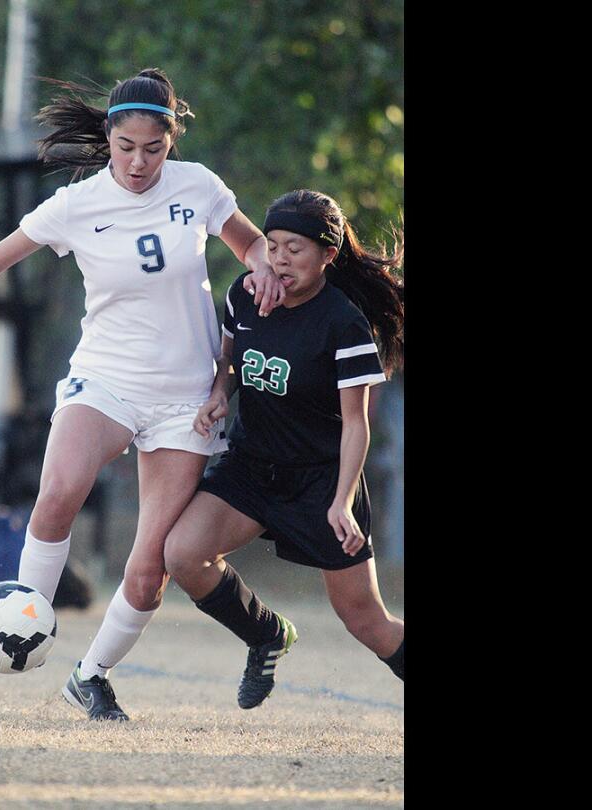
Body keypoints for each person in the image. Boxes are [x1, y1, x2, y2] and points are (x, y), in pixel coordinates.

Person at [0, 68, 286, 721]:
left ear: (171, 139)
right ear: (109, 139)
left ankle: (92, 678)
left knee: (149, 569)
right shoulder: (75, 205)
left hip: (186, 399)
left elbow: (252, 245)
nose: (141, 161)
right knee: (58, 491)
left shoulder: (198, 186)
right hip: (106, 377)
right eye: (127, 148)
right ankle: (25, 625)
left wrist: (264, 270)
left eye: (154, 147)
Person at [163, 189, 405, 711]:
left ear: (328, 256)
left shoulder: (343, 322)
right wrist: (218, 397)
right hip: (252, 468)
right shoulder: (245, 296)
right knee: (183, 555)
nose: (280, 258)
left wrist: (341, 502)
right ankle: (266, 635)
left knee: (366, 622)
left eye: (295, 248)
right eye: (272, 246)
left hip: (322, 480)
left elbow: (356, 425)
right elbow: (228, 363)